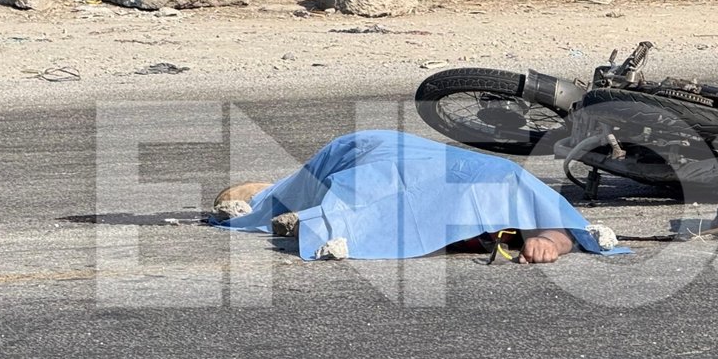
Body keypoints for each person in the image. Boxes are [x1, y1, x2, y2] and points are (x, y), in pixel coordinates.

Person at [213, 130, 609, 263]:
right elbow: (368, 197)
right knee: (291, 198)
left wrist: (548, 242)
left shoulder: (508, 186)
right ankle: (265, 190)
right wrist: (323, 224)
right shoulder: (406, 191)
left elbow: (559, 226)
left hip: (421, 162)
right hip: (374, 153)